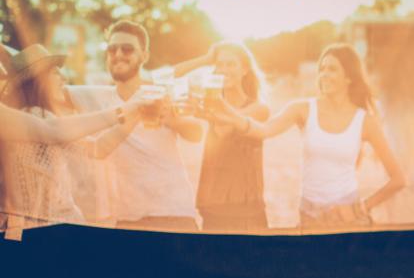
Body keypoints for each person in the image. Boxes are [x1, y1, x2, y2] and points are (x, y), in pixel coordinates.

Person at [207, 44, 405, 230]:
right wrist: (228, 113)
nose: (324, 75)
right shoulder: (302, 109)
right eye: (322, 69)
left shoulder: (365, 121)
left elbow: (398, 179)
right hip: (309, 216)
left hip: (349, 218)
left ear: (349, 77)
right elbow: (264, 130)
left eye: (332, 69)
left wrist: (361, 207)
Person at [0, 44, 148, 236]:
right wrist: (126, 110)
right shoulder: (27, 118)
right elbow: (51, 131)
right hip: (38, 235)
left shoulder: (47, 118)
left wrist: (135, 114)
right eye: (55, 72)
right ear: (37, 81)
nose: (64, 78)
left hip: (58, 230)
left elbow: (97, 148)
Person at [100, 20, 203, 232]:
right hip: (127, 218)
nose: (118, 54)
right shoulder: (97, 96)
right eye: (112, 49)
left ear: (144, 56)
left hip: (173, 214)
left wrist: (170, 119)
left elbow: (196, 132)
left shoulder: (163, 91)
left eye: (127, 49)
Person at [175, 42, 269, 232]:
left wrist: (207, 109)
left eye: (231, 64)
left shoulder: (259, 109)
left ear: (245, 70)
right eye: (220, 65)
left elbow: (226, 128)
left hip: (246, 212)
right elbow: (175, 75)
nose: (224, 70)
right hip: (212, 208)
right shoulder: (210, 106)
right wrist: (206, 59)